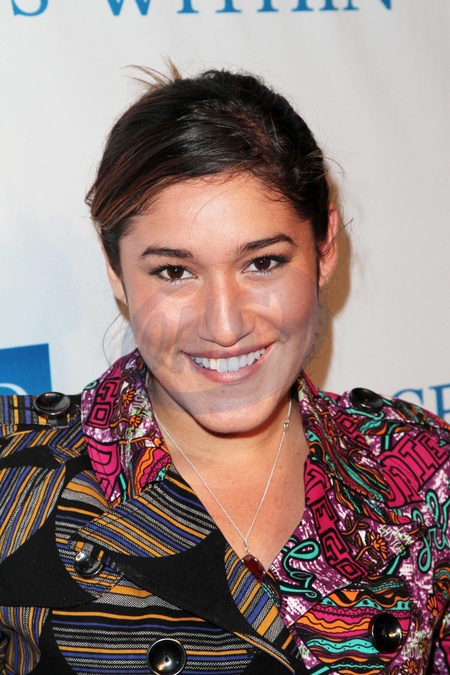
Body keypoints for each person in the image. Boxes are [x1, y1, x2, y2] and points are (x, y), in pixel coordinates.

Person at [1, 66, 449, 675]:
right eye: (174, 272)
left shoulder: (421, 469)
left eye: (262, 262)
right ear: (116, 272)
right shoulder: (15, 476)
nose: (225, 324)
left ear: (325, 247)